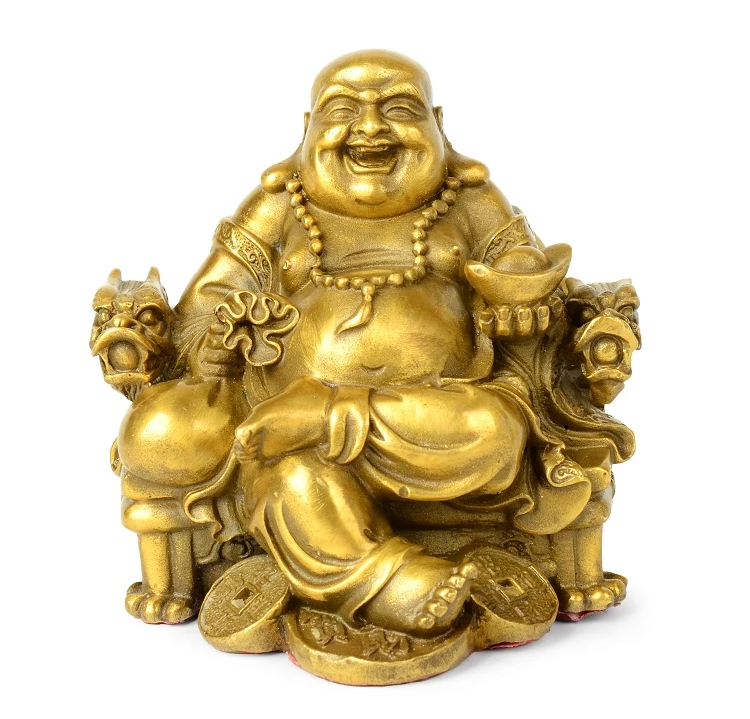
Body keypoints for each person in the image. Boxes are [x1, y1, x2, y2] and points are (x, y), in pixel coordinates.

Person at [118, 50, 592, 630]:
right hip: (283, 427)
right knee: (283, 477)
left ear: (439, 125)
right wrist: (216, 340)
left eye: (399, 110)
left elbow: (520, 258)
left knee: (494, 431)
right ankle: (395, 583)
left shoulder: (469, 199)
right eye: (343, 110)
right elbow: (204, 303)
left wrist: (521, 296)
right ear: (307, 129)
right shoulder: (279, 206)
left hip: (436, 419)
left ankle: (326, 416)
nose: (369, 128)